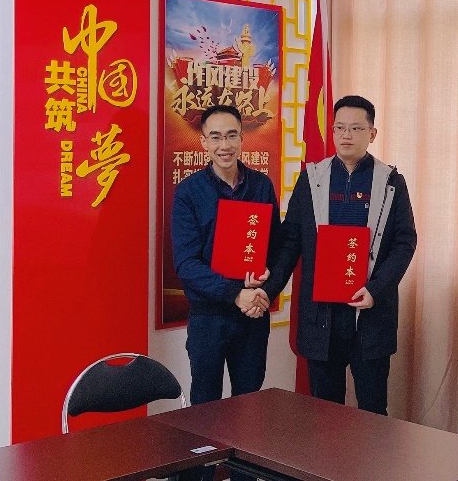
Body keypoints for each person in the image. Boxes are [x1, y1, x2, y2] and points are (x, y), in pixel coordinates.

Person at [273, 95, 417, 414]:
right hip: (321, 317)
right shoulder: (312, 179)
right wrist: (267, 290)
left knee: (373, 413)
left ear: (372, 134)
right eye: (339, 128)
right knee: (325, 416)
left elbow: (405, 242)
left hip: (369, 313)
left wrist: (376, 289)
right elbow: (291, 240)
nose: (346, 135)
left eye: (355, 128)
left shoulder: (391, 181)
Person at [171, 104, 288, 406]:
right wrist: (235, 294)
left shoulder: (261, 186)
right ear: (204, 142)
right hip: (209, 316)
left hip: (252, 315)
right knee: (205, 406)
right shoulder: (188, 192)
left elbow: (275, 248)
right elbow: (186, 264)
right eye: (216, 137)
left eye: (231, 135)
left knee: (249, 405)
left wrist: (265, 284)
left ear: (242, 139)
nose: (224, 145)